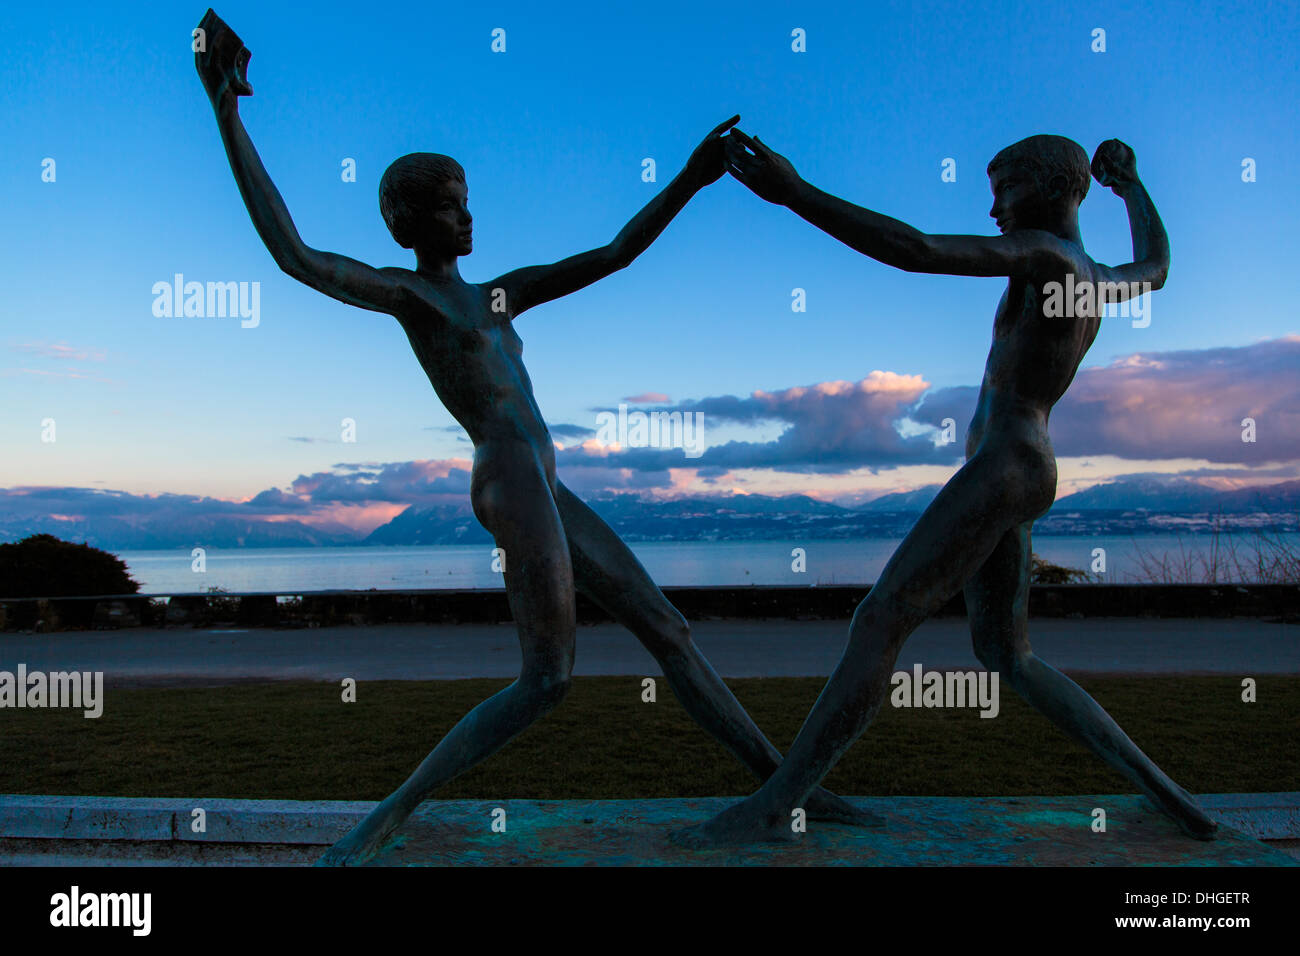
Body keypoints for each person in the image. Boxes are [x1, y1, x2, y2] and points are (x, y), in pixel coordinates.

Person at [194, 9, 876, 865]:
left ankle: (788, 791)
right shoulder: (415, 299)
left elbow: (617, 253)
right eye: (448, 207)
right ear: (408, 225)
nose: (467, 218)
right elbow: (294, 254)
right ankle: (386, 816)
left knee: (669, 630)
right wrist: (228, 113)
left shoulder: (500, 298)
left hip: (547, 482)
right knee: (547, 680)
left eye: (468, 201)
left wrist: (693, 178)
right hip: (507, 479)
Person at [674, 128, 1218, 846]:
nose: (994, 209)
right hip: (1026, 466)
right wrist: (1132, 185)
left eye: (1006, 190)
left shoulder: (1048, 256)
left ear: (1054, 188)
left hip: (1005, 467)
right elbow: (1158, 266)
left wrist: (795, 193)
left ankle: (778, 803)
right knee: (1009, 658)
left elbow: (919, 251)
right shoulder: (1092, 273)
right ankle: (1172, 795)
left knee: (880, 618)